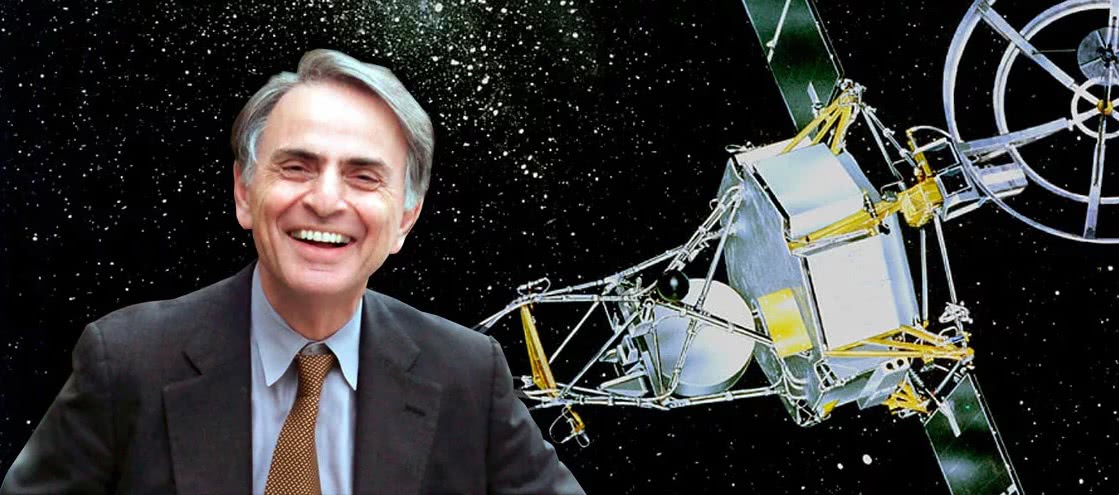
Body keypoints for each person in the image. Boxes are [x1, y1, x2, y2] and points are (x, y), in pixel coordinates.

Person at [1, 49, 584, 495]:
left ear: (406, 218)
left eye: (363, 177)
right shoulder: (125, 363)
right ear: (244, 192)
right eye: (297, 167)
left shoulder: (468, 374)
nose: (326, 200)